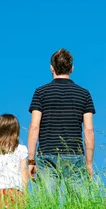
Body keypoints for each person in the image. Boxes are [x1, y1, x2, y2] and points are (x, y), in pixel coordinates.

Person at [27, 48, 95, 194]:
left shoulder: (40, 93)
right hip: (75, 155)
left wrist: (31, 160)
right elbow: (89, 131)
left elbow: (34, 127)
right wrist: (88, 163)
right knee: (80, 206)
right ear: (72, 68)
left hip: (47, 154)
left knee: (47, 205)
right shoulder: (84, 94)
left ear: (51, 68)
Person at [0, 114, 29, 209]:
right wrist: (25, 193)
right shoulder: (21, 149)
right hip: (16, 191)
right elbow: (23, 172)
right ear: (16, 131)